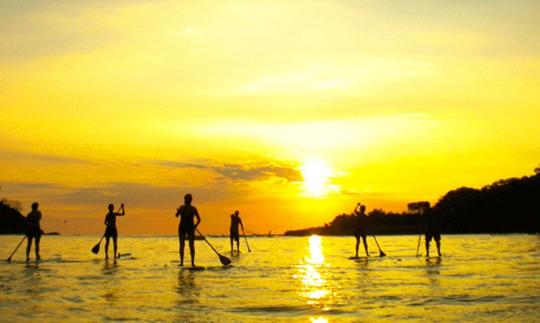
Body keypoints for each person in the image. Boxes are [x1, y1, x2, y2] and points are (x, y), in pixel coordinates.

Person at [176, 193, 201, 267]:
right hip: (182, 228)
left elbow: (199, 219)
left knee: (191, 245)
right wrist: (178, 212)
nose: (186, 201)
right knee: (182, 245)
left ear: (190, 201)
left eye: (188, 200)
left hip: (190, 228)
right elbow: (176, 215)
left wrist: (195, 226)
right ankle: (181, 263)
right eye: (186, 199)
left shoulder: (193, 209)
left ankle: (192, 263)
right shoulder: (181, 207)